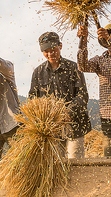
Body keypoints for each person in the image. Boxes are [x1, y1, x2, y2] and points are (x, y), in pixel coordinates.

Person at [29, 31, 91, 159]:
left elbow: (82, 95)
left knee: (75, 162)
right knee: (56, 166)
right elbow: (33, 98)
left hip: (74, 126)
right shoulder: (38, 72)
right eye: (46, 51)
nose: (50, 54)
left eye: (53, 49)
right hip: (51, 130)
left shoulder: (74, 68)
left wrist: (68, 112)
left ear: (60, 46)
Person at [77, 24, 111, 157]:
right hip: (107, 114)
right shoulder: (100, 60)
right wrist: (83, 40)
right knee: (108, 156)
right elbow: (82, 65)